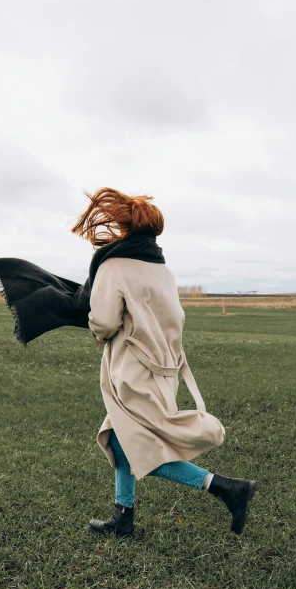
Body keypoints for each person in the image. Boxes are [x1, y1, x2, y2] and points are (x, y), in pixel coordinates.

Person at [69, 187, 257, 537]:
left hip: (131, 373)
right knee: (118, 437)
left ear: (126, 227)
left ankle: (227, 488)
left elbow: (105, 322)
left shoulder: (114, 265)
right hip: (163, 371)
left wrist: (94, 329)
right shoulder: (161, 268)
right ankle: (123, 517)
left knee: (134, 445)